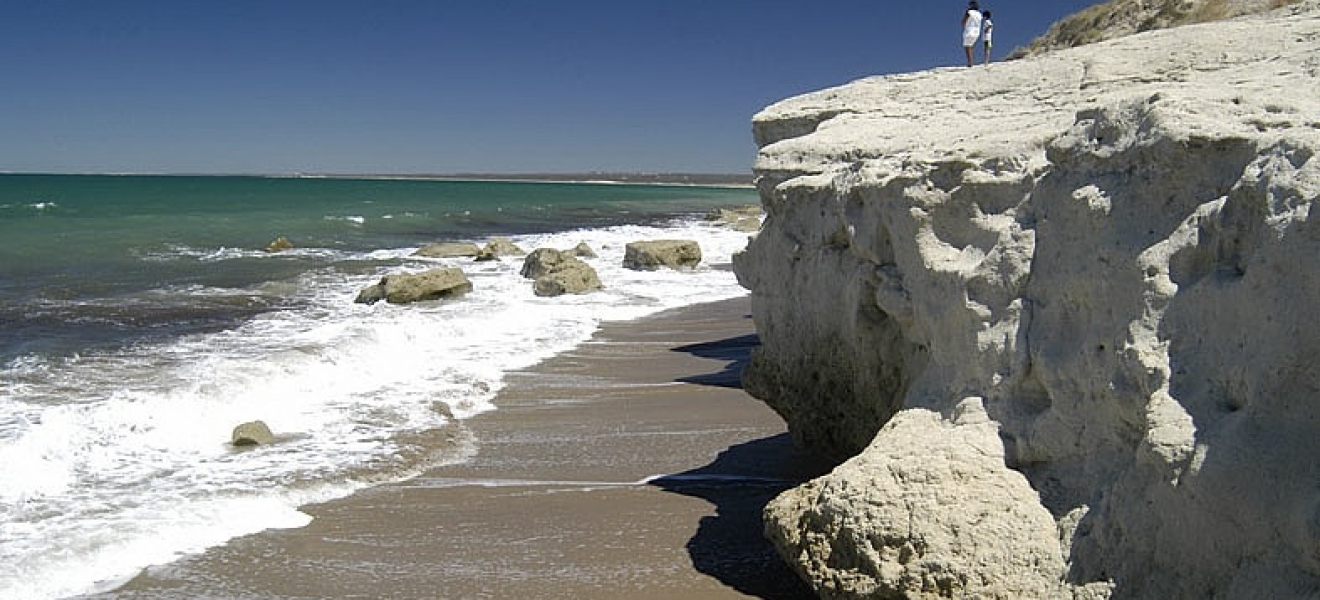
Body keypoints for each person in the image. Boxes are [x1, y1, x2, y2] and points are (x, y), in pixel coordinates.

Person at [962, 1, 983, 67]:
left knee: (967, 47)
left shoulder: (969, 12)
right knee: (970, 46)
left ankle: (970, 63)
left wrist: (964, 23)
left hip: (969, 30)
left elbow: (964, 21)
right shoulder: (980, 14)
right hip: (977, 32)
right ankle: (971, 62)